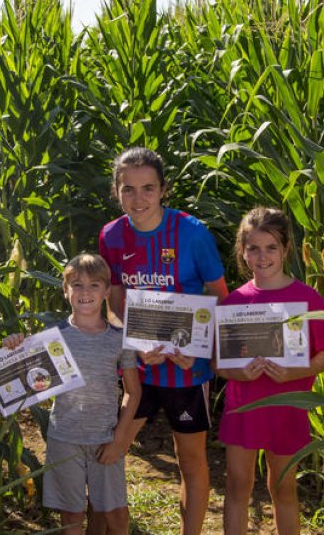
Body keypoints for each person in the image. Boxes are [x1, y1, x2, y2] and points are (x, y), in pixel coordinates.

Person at [98, 147, 228, 535]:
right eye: (128, 190)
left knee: (189, 459)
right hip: (138, 368)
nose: (138, 200)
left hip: (188, 371)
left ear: (164, 190)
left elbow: (221, 297)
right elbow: (114, 302)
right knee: (112, 451)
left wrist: (197, 347)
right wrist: (134, 343)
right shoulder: (112, 235)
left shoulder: (192, 233)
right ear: (116, 191)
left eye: (148, 189)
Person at [215, 207, 324, 535]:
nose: (262, 256)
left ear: (286, 250)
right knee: (237, 487)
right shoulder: (233, 303)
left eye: (271, 247)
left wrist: (294, 372)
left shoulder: (308, 299)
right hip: (243, 407)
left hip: (288, 407)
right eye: (253, 248)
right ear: (243, 252)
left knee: (282, 489)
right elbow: (217, 362)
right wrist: (238, 374)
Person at [1, 252, 141, 535]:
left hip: (105, 438)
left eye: (93, 285)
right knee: (72, 519)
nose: (85, 292)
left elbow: (133, 392)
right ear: (65, 292)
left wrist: (120, 440)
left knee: (117, 517)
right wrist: (12, 346)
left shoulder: (119, 338)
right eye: (76, 285)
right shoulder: (51, 337)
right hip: (64, 438)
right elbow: (21, 374)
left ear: (106, 292)